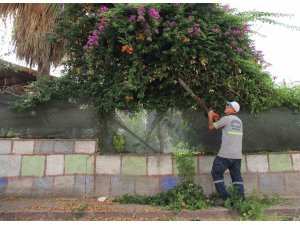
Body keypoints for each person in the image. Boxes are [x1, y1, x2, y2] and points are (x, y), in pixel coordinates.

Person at [208, 101, 245, 201]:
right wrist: (216, 118)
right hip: (237, 156)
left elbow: (211, 127)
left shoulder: (226, 119)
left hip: (225, 155)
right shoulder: (239, 121)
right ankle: (240, 200)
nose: (226, 106)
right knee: (237, 178)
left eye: (228, 106)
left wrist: (210, 115)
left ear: (233, 109)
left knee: (216, 172)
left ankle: (225, 199)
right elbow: (226, 126)